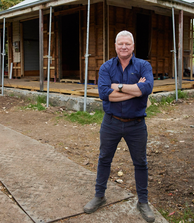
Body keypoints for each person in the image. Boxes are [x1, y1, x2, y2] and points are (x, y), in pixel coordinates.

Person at [83, 30, 155, 222]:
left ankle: (143, 202)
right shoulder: (106, 67)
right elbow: (104, 94)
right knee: (104, 159)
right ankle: (99, 196)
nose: (124, 47)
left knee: (140, 163)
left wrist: (119, 87)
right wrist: (135, 91)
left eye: (128, 44)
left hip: (137, 124)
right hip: (111, 122)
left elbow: (147, 88)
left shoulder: (143, 65)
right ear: (115, 46)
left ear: (133, 46)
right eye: (120, 43)